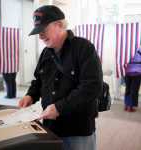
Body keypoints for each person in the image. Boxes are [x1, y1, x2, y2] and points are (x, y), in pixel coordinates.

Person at [19, 5, 103, 150]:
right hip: (51, 127)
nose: (40, 36)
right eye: (38, 32)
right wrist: (30, 95)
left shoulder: (84, 48)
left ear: (59, 25)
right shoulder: (46, 53)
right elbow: (38, 80)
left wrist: (59, 108)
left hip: (77, 129)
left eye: (43, 30)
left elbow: (92, 87)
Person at [124, 47, 141, 112]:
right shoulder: (139, 50)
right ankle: (130, 107)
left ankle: (126, 105)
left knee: (128, 89)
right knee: (134, 90)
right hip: (137, 72)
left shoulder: (128, 49)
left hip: (127, 72)